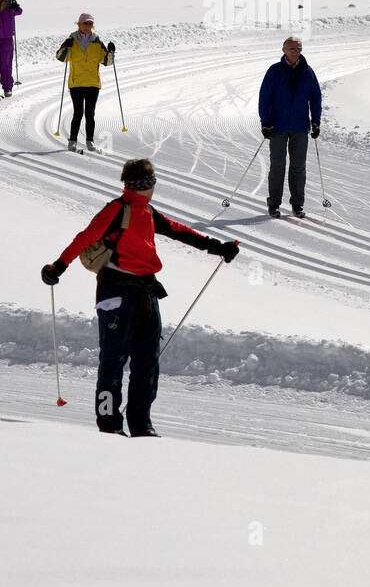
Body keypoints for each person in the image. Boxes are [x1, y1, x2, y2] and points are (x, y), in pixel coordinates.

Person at [41, 158, 239, 436]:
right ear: (146, 184)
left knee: (144, 362)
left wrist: (217, 247)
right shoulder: (117, 209)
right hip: (117, 292)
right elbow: (85, 237)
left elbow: (177, 230)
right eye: (153, 181)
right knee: (118, 361)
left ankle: (140, 424)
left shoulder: (147, 211)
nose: (154, 186)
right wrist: (58, 266)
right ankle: (112, 424)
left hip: (146, 293)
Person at [258, 37, 322, 217]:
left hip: (300, 127)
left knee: (298, 167)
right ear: (284, 50)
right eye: (293, 49)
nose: (296, 52)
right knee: (277, 166)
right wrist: (265, 121)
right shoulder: (274, 71)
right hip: (277, 126)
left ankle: (297, 205)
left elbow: (315, 97)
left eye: (299, 49)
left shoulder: (308, 72)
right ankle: (274, 204)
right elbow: (265, 97)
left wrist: (316, 121)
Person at [56, 13, 115, 151]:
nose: (88, 26)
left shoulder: (97, 42)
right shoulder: (72, 40)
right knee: (78, 113)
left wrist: (111, 52)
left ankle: (90, 141)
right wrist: (64, 46)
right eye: (85, 23)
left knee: (90, 113)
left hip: (93, 84)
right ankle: (72, 141)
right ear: (79, 24)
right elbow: (61, 58)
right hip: (76, 83)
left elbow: (107, 62)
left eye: (90, 24)